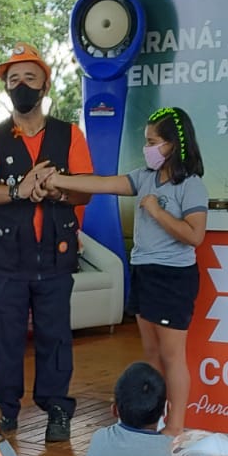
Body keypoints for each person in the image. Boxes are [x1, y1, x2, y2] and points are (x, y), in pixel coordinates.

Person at [43, 107, 208, 435]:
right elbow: (104, 184)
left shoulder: (191, 185)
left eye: (153, 141)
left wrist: (157, 212)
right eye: (145, 141)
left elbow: (195, 235)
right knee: (151, 352)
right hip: (144, 271)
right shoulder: (144, 176)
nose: (147, 148)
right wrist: (58, 179)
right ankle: (151, 418)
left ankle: (175, 427)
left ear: (173, 145)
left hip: (172, 278)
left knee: (173, 356)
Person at [0, 42, 94, 443]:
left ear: (44, 84)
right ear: (6, 87)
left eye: (29, 78)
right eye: (13, 79)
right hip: (5, 260)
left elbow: (85, 190)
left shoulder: (69, 135)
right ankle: (5, 410)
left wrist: (54, 190)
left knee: (55, 336)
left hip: (55, 258)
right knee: (4, 336)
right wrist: (19, 190)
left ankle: (57, 409)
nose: (21, 85)